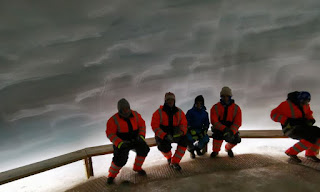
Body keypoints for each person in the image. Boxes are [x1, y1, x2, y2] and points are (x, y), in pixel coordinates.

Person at [106, 98, 150, 184]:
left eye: (127, 108)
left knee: (144, 149)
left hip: (135, 139)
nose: (126, 111)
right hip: (122, 142)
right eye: (123, 109)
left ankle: (137, 168)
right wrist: (119, 143)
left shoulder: (136, 115)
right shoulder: (113, 120)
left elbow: (142, 126)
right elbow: (110, 134)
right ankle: (111, 176)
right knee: (120, 159)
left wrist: (141, 136)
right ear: (119, 110)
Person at [271, 91, 320, 163]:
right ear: (298, 99)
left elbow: (309, 114)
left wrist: (311, 120)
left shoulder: (305, 105)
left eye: (306, 102)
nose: (304, 104)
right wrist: (287, 120)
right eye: (303, 102)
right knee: (310, 137)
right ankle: (291, 152)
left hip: (303, 127)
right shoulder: (286, 104)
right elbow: (273, 115)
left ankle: (310, 154)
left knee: (318, 133)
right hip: (290, 128)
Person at [151, 92, 188, 170]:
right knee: (163, 146)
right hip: (163, 134)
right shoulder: (158, 112)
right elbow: (155, 126)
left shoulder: (179, 112)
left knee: (184, 141)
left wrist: (182, 131)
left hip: (175, 133)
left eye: (172, 99)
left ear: (174, 101)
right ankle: (169, 157)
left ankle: (175, 162)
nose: (170, 101)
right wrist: (164, 135)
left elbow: (184, 124)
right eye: (168, 99)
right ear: (165, 101)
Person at [210, 87, 242, 158]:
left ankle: (228, 148)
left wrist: (231, 132)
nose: (225, 98)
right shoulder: (215, 107)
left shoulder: (236, 108)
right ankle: (216, 151)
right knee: (217, 137)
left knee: (236, 139)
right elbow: (214, 121)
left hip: (231, 129)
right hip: (219, 128)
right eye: (223, 96)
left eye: (227, 96)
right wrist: (224, 129)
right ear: (221, 96)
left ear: (230, 96)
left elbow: (237, 123)